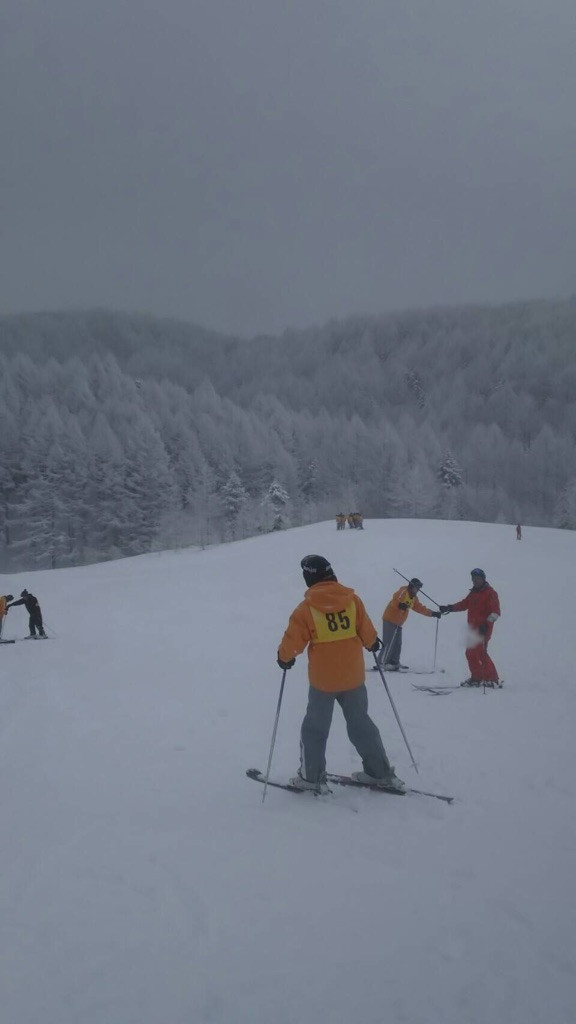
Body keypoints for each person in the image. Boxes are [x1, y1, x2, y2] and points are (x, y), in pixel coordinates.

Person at [277, 554, 405, 793]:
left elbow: (292, 642)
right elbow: (368, 633)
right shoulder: (352, 601)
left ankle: (312, 777)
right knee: (361, 724)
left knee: (315, 729)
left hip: (323, 681)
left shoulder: (306, 608)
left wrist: (284, 657)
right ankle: (379, 772)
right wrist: (372, 642)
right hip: (353, 678)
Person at [439, 569, 501, 686]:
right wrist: (450, 608)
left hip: (483, 629)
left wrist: (486, 625)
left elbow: (495, 612)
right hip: (473, 629)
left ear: (483, 579)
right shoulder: (473, 593)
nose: (475, 581)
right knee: (470, 653)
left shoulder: (490, 593)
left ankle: (492, 679)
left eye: (478, 579)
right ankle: (477, 677)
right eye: (473, 579)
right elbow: (464, 604)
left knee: (480, 653)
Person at [375, 578, 441, 671]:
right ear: (411, 586)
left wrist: (433, 613)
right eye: (416, 588)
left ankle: (394, 662)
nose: (418, 590)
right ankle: (381, 663)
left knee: (398, 643)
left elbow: (420, 608)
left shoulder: (414, 598)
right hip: (390, 620)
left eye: (418, 588)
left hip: (399, 622)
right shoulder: (403, 592)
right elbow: (395, 599)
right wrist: (399, 605)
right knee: (389, 642)